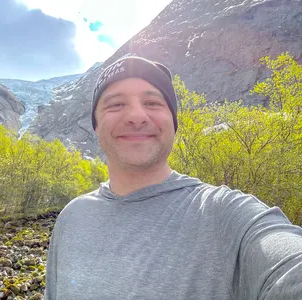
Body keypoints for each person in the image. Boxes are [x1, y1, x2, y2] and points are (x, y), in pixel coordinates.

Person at [44, 56, 302, 300]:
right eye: (116, 104)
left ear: (173, 123)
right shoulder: (71, 217)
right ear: (96, 126)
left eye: (153, 103)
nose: (136, 116)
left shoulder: (226, 214)